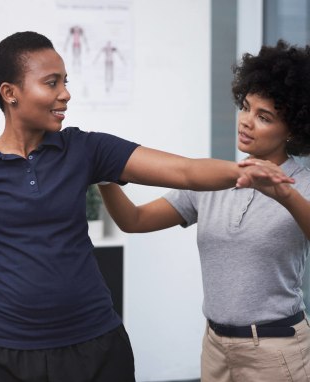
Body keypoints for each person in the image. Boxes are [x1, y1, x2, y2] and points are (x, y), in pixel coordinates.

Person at [0, 32, 292, 382]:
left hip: (93, 348)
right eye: (51, 83)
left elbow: (184, 170)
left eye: (65, 82)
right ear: (10, 93)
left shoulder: (86, 149)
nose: (66, 94)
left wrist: (242, 171)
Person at [99, 40, 310, 381]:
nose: (246, 121)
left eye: (264, 116)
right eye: (245, 106)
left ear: (293, 130)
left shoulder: (302, 185)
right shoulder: (213, 181)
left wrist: (285, 197)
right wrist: (105, 175)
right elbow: (133, 220)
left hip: (276, 351)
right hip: (215, 347)